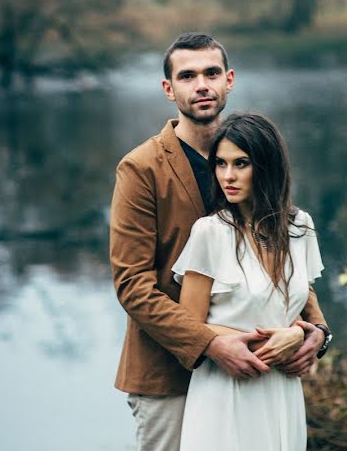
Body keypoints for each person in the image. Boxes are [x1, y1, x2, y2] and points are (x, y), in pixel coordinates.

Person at [110, 33, 331, 451]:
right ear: (168, 88)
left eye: (211, 73)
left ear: (229, 80)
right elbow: (132, 285)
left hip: (257, 373)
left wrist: (316, 330)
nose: (202, 85)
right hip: (167, 377)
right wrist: (209, 343)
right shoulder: (140, 169)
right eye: (187, 76)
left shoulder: (251, 157)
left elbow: (281, 256)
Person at [172, 112, 325, 450]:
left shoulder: (300, 228)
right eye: (221, 164)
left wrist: (301, 332)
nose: (228, 176)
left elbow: (301, 301)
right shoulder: (209, 233)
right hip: (225, 389)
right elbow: (189, 324)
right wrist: (283, 337)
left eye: (241, 164)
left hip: (282, 390)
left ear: (267, 166)